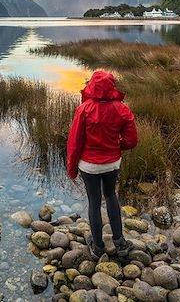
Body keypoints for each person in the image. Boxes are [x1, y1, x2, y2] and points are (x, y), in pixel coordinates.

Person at [67, 70, 138, 258]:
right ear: (111, 86)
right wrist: (117, 145)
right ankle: (120, 243)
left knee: (94, 201)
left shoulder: (84, 109)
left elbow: (74, 143)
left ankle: (98, 247)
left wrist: (72, 168)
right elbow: (131, 140)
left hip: (89, 165)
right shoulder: (122, 109)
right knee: (111, 196)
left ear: (93, 86)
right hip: (112, 163)